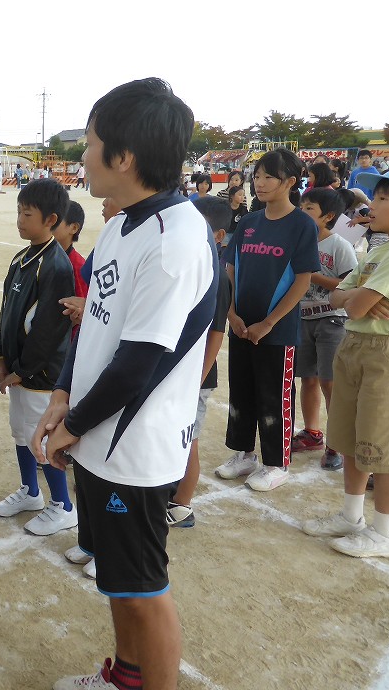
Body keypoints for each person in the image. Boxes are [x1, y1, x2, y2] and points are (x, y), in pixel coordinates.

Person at [35, 78, 216, 690]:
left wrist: (74, 424)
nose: (82, 157)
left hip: (132, 448)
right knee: (117, 578)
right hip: (97, 434)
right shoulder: (122, 224)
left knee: (143, 588)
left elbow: (139, 361)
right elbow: (95, 323)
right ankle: (126, 676)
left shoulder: (174, 241)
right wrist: (63, 396)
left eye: (89, 144)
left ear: (125, 157)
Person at [216, 148, 319, 493]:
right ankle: (244, 454)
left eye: (268, 177)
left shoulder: (302, 225)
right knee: (241, 392)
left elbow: (302, 281)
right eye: (257, 176)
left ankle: (276, 463)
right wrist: (231, 313)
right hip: (241, 325)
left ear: (290, 182)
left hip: (276, 331)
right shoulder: (248, 222)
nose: (259, 183)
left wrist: (269, 323)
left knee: (274, 396)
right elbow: (231, 270)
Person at [301, 173, 389, 557]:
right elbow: (339, 294)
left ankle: (384, 530)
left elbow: (351, 305)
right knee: (352, 435)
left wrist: (354, 297)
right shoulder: (377, 251)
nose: (372, 206)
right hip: (355, 344)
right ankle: (351, 515)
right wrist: (357, 296)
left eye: (383, 199)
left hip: (383, 352)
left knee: (381, 443)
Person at [0, 180, 78, 537]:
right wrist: (1, 357)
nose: (19, 220)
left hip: (41, 376)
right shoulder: (20, 259)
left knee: (40, 438)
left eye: (27, 214)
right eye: (18, 212)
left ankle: (63, 505)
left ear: (51, 219)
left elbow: (49, 330)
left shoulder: (56, 265)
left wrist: (23, 370)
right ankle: (30, 492)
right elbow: (7, 313)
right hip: (17, 372)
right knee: (21, 432)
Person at [167, 197, 233, 530]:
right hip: (177, 372)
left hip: (196, 377)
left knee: (187, 439)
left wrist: (197, 378)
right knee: (170, 434)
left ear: (219, 236)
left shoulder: (217, 276)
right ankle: (170, 491)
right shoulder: (192, 266)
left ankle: (182, 505)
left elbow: (216, 335)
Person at [291, 188, 358, 471]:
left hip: (332, 320)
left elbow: (351, 285)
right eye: (302, 207)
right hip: (302, 318)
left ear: (328, 216)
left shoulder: (338, 245)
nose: (302, 212)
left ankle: (336, 444)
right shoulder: (297, 242)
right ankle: (312, 433)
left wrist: (312, 275)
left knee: (330, 383)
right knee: (307, 378)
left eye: (309, 208)